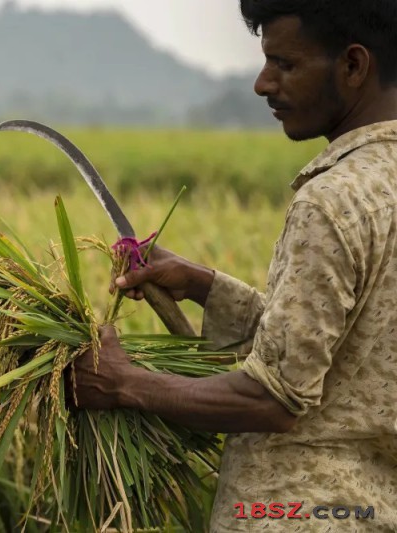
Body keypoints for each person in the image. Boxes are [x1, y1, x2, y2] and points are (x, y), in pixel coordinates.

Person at [71, 1, 397, 531]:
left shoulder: (332, 202)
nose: (262, 84)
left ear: (354, 66)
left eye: (285, 64)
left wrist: (124, 383)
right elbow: (340, 350)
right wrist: (204, 285)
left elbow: (274, 398)